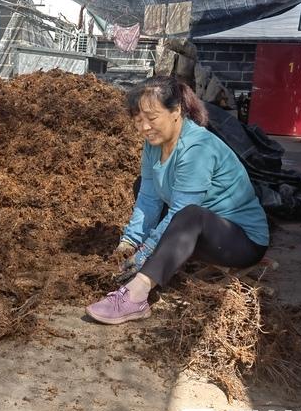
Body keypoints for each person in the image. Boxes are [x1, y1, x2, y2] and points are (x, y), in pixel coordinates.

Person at [86, 76, 269, 324]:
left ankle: (136, 296)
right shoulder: (153, 145)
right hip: (194, 236)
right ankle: (156, 259)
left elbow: (182, 212)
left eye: (152, 118)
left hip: (239, 240)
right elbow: (149, 198)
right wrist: (129, 243)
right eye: (138, 121)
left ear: (176, 111)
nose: (144, 128)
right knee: (142, 185)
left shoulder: (197, 148)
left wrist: (144, 255)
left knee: (190, 214)